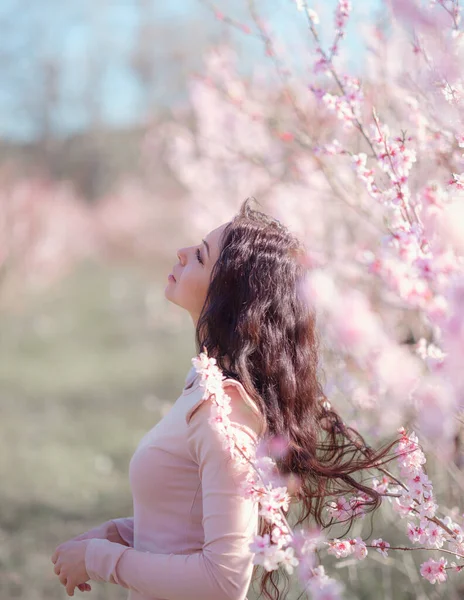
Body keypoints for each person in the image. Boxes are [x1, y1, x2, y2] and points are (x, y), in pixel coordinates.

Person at [51, 197, 399, 599]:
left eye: (200, 256)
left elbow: (223, 581)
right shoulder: (206, 384)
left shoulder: (225, 410)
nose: (181, 253)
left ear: (232, 295)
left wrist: (100, 559)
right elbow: (188, 522)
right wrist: (118, 534)